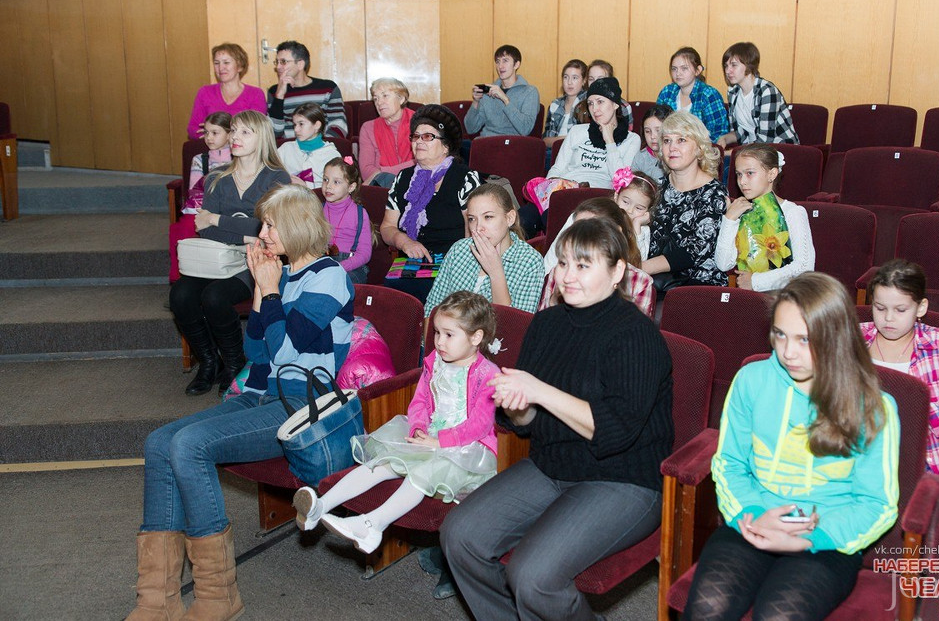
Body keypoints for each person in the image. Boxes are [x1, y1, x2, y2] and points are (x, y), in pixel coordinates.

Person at [127, 184, 354, 621]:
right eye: (263, 222)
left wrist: (269, 294)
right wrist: (262, 290)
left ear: (296, 226)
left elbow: (288, 358)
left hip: (301, 405)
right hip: (262, 394)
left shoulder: (329, 276)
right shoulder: (281, 274)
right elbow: (257, 355)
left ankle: (217, 594)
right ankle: (157, 598)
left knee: (189, 446)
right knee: (159, 442)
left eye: (270, 224)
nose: (261, 232)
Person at [441, 217, 673, 619]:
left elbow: (614, 431)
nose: (568, 276)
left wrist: (539, 390)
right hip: (553, 465)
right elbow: (528, 418)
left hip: (622, 480)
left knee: (533, 576)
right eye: (563, 263)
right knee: (460, 535)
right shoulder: (546, 324)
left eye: (583, 266)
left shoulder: (636, 335)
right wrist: (518, 404)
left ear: (617, 271)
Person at [683, 272, 900, 621]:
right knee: (709, 607)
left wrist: (811, 538)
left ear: (836, 338)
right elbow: (730, 464)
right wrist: (751, 517)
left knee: (778, 615)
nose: (787, 352)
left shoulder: (874, 406)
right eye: (780, 334)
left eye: (804, 339)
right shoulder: (752, 380)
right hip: (755, 520)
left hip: (827, 537)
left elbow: (878, 504)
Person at [292, 291, 500, 553]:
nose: (439, 342)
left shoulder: (488, 374)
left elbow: (480, 424)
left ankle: (372, 526)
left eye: (449, 334)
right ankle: (320, 506)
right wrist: (417, 428)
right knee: (381, 464)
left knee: (419, 474)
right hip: (430, 436)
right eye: (436, 333)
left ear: (476, 337)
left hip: (464, 449)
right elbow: (421, 400)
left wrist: (439, 442)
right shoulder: (435, 361)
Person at [169, 110, 291, 397]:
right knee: (181, 295)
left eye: (244, 132)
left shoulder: (277, 177)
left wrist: (220, 220)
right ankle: (210, 362)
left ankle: (236, 364)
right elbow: (203, 227)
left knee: (215, 297)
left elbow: (271, 226)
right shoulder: (218, 178)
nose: (234, 137)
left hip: (258, 260)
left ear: (261, 137)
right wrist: (247, 231)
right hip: (218, 258)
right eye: (233, 131)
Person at [860, 259, 939, 474]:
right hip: (856, 453)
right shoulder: (854, 338)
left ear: (921, 307)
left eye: (900, 310)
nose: (888, 318)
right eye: (880, 308)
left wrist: (919, 415)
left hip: (917, 459)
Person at [381, 104, 482, 302]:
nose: (418, 141)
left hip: (454, 263)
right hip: (411, 263)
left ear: (446, 146)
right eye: (415, 136)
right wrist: (404, 241)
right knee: (393, 297)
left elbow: (474, 230)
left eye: (428, 136)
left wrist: (460, 267)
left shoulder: (464, 178)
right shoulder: (404, 178)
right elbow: (387, 227)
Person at [520, 76, 641, 238]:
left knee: (564, 223)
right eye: (590, 103)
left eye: (600, 102)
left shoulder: (631, 139)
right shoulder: (578, 131)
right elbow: (557, 168)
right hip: (563, 191)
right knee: (522, 219)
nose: (594, 109)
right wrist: (549, 194)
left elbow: (620, 182)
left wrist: (609, 141)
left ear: (615, 104)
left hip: (596, 197)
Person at [424, 183, 545, 316]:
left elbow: (514, 328)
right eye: (472, 219)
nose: (478, 227)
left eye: (488, 217)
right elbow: (432, 308)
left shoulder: (529, 261)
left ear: (509, 218)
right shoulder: (459, 250)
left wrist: (496, 273)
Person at [643, 111, 728, 289]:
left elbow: (693, 252)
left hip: (696, 287)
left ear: (699, 148)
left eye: (681, 140)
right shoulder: (659, 188)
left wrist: (639, 268)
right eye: (667, 141)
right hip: (655, 281)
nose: (672, 147)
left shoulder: (714, 193)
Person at [715, 144, 815, 291]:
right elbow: (723, 264)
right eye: (739, 174)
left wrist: (755, 281)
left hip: (784, 297)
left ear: (772, 174)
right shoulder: (740, 211)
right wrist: (729, 220)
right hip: (749, 298)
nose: (742, 181)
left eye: (749, 173)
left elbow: (804, 267)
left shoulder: (792, 212)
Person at [538, 198, 656, 319]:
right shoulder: (560, 272)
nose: (581, 237)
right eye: (576, 229)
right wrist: (555, 300)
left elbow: (634, 333)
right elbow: (540, 329)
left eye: (592, 230)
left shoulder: (639, 282)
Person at [169, 112, 232, 283]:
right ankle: (181, 279)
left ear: (229, 134)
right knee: (185, 227)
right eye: (206, 132)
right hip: (202, 207)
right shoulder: (200, 159)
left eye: (215, 133)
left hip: (231, 208)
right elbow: (195, 191)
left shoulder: (238, 158)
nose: (209, 138)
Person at [718, 42, 799, 148]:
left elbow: (765, 141)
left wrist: (731, 153)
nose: (728, 71)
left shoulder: (767, 92)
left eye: (733, 65)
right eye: (726, 66)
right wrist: (724, 138)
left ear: (749, 65)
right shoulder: (733, 92)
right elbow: (740, 132)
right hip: (751, 152)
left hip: (780, 150)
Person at [267, 40, 348, 141]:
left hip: (322, 149)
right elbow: (274, 133)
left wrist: (317, 147)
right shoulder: (274, 91)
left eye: (283, 62)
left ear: (300, 64)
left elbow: (339, 127)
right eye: (277, 62)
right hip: (288, 151)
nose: (278, 67)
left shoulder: (328, 88)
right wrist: (279, 97)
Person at [186, 43, 266, 140]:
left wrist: (215, 134)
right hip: (211, 152)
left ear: (240, 66)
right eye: (216, 63)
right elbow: (193, 129)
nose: (220, 68)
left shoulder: (255, 94)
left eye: (226, 63)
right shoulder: (205, 92)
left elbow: (256, 130)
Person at [655, 47, 730, 144]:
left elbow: (718, 133)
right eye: (674, 69)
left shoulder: (708, 95)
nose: (678, 73)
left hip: (700, 152)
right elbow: (657, 125)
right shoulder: (667, 92)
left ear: (697, 70)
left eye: (684, 68)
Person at [465, 44, 541, 138]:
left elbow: (525, 129)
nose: (500, 66)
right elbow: (470, 128)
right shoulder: (489, 91)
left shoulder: (530, 92)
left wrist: (505, 100)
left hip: (513, 144)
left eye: (505, 61)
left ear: (516, 64)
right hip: (487, 143)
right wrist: (475, 102)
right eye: (497, 61)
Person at [322, 156, 373, 285]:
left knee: (337, 283)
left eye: (336, 182)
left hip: (351, 266)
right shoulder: (317, 210)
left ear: (351, 187)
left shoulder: (359, 213)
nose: (328, 186)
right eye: (325, 180)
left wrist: (340, 267)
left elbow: (365, 254)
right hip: (322, 260)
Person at [358, 77, 416, 187]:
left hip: (417, 184)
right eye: (375, 98)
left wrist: (381, 172)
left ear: (401, 99)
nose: (379, 102)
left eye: (385, 96)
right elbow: (366, 172)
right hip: (381, 188)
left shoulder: (420, 123)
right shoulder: (368, 128)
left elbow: (424, 162)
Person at [275, 102, 342, 188]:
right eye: (295, 124)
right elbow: (271, 175)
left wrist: (306, 188)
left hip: (317, 199)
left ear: (317, 125)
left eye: (301, 124)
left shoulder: (331, 155)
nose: (296, 129)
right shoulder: (286, 149)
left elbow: (336, 189)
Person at [575, 59, 634, 130]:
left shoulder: (624, 107)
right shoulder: (580, 105)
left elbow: (628, 136)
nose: (595, 83)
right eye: (591, 79)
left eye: (600, 79)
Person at [542, 58, 588, 148]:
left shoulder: (588, 104)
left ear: (584, 81)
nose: (569, 82)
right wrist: (566, 139)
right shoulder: (555, 104)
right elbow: (546, 139)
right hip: (553, 152)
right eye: (566, 77)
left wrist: (559, 141)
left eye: (575, 78)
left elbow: (584, 139)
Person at [631, 104, 672, 185]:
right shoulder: (641, 157)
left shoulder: (676, 155)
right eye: (647, 131)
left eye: (658, 130)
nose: (653, 136)